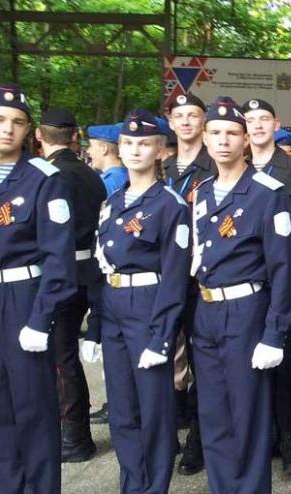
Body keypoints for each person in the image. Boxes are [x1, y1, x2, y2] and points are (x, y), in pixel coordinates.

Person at [0, 83, 77, 494]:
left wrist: (41, 318)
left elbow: (59, 259)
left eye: (17, 123)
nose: (7, 130)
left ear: (29, 130)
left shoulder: (44, 178)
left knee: (33, 409)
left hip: (26, 299)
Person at [190, 97, 291, 493]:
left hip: (246, 313)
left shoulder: (267, 192)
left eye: (232, 133)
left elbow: (285, 270)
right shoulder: (201, 193)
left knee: (248, 419)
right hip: (206, 313)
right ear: (204, 139)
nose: (223, 141)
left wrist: (275, 333)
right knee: (214, 417)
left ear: (245, 141)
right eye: (216, 133)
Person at [87, 108, 190, 494]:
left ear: (160, 150)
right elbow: (102, 268)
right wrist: (95, 329)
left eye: (144, 143)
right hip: (114, 307)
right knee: (122, 411)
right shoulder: (112, 202)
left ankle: (154, 487)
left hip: (148, 306)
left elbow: (176, 277)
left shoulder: (170, 205)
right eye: (128, 143)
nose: (134, 150)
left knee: (154, 412)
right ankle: (132, 483)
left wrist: (163, 336)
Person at [242, 98, 291, 476]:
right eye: (250, 120)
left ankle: (289, 441)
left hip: (283, 281)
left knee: (288, 364)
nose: (256, 126)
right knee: (249, 366)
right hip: (243, 285)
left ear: (276, 124)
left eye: (263, 119)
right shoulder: (230, 167)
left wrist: (274, 263)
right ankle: (258, 437)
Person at [37, 108, 108, 463]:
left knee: (61, 357)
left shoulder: (47, 176)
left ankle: (74, 436)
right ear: (75, 137)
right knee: (66, 356)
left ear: (39, 135)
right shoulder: (91, 174)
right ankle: (74, 432)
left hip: (61, 273)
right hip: (92, 271)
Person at [164, 92, 216, 476]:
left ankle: (198, 440)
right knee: (162, 356)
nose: (185, 122)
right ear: (169, 121)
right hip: (164, 277)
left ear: (204, 122)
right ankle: (166, 435)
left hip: (201, 279)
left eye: (193, 115)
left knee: (202, 361)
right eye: (179, 115)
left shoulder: (217, 166)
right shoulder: (160, 167)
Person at [87, 124, 129, 197]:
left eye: (91, 146)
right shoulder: (129, 175)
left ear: (104, 149)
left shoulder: (104, 182)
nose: (88, 151)